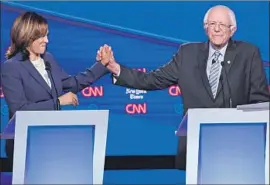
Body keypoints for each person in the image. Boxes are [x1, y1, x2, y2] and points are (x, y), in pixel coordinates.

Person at [96, 5, 270, 170]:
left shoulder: (248, 53)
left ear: (232, 30)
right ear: (205, 28)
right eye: (212, 24)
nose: (216, 29)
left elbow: (260, 101)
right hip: (196, 144)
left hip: (238, 145)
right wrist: (115, 68)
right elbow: (152, 79)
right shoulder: (187, 53)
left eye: (222, 25)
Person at [1, 11, 109, 166]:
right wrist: (57, 102)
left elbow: (72, 84)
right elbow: (20, 110)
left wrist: (101, 65)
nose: (47, 40)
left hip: (52, 141)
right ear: (27, 36)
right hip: (26, 145)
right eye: (42, 36)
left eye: (47, 35)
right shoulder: (12, 67)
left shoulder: (48, 59)